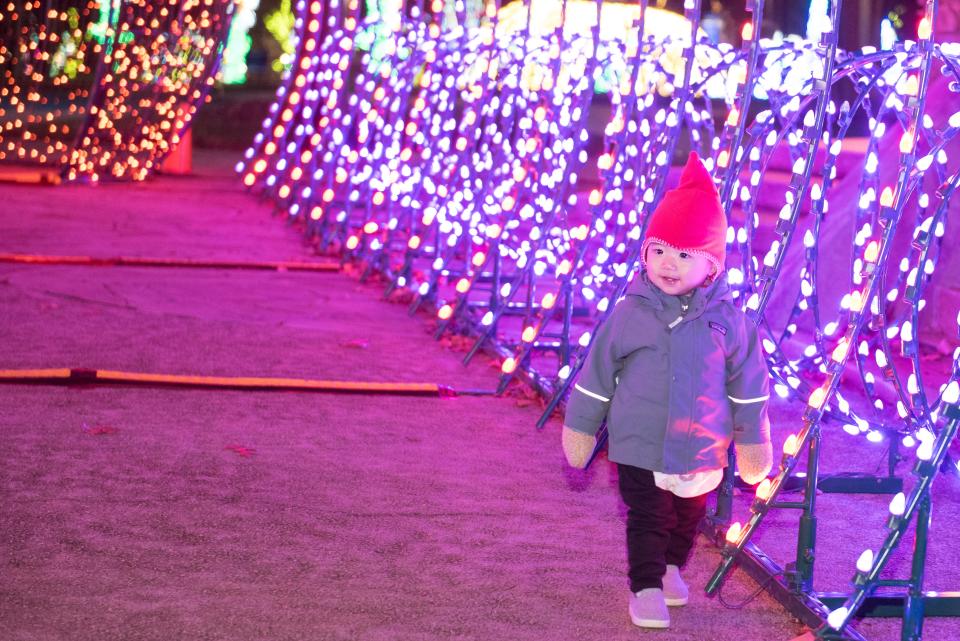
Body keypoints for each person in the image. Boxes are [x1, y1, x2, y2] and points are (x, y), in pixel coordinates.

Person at [561, 152, 773, 629]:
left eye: (683, 255)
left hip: (702, 444)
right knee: (647, 517)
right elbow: (596, 377)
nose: (667, 265)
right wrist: (580, 428)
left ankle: (673, 566)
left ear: (712, 266)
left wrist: (753, 440)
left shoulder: (729, 323)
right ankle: (647, 585)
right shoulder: (629, 313)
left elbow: (748, 387)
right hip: (640, 440)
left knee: (687, 517)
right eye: (658, 251)